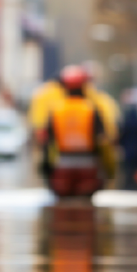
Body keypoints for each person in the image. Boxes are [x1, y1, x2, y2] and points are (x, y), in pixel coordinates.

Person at [44, 65, 113, 197]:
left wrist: (47, 169)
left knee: (62, 210)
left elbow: (47, 141)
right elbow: (102, 139)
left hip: (63, 163)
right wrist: (107, 169)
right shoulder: (91, 108)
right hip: (88, 164)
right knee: (86, 210)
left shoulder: (56, 109)